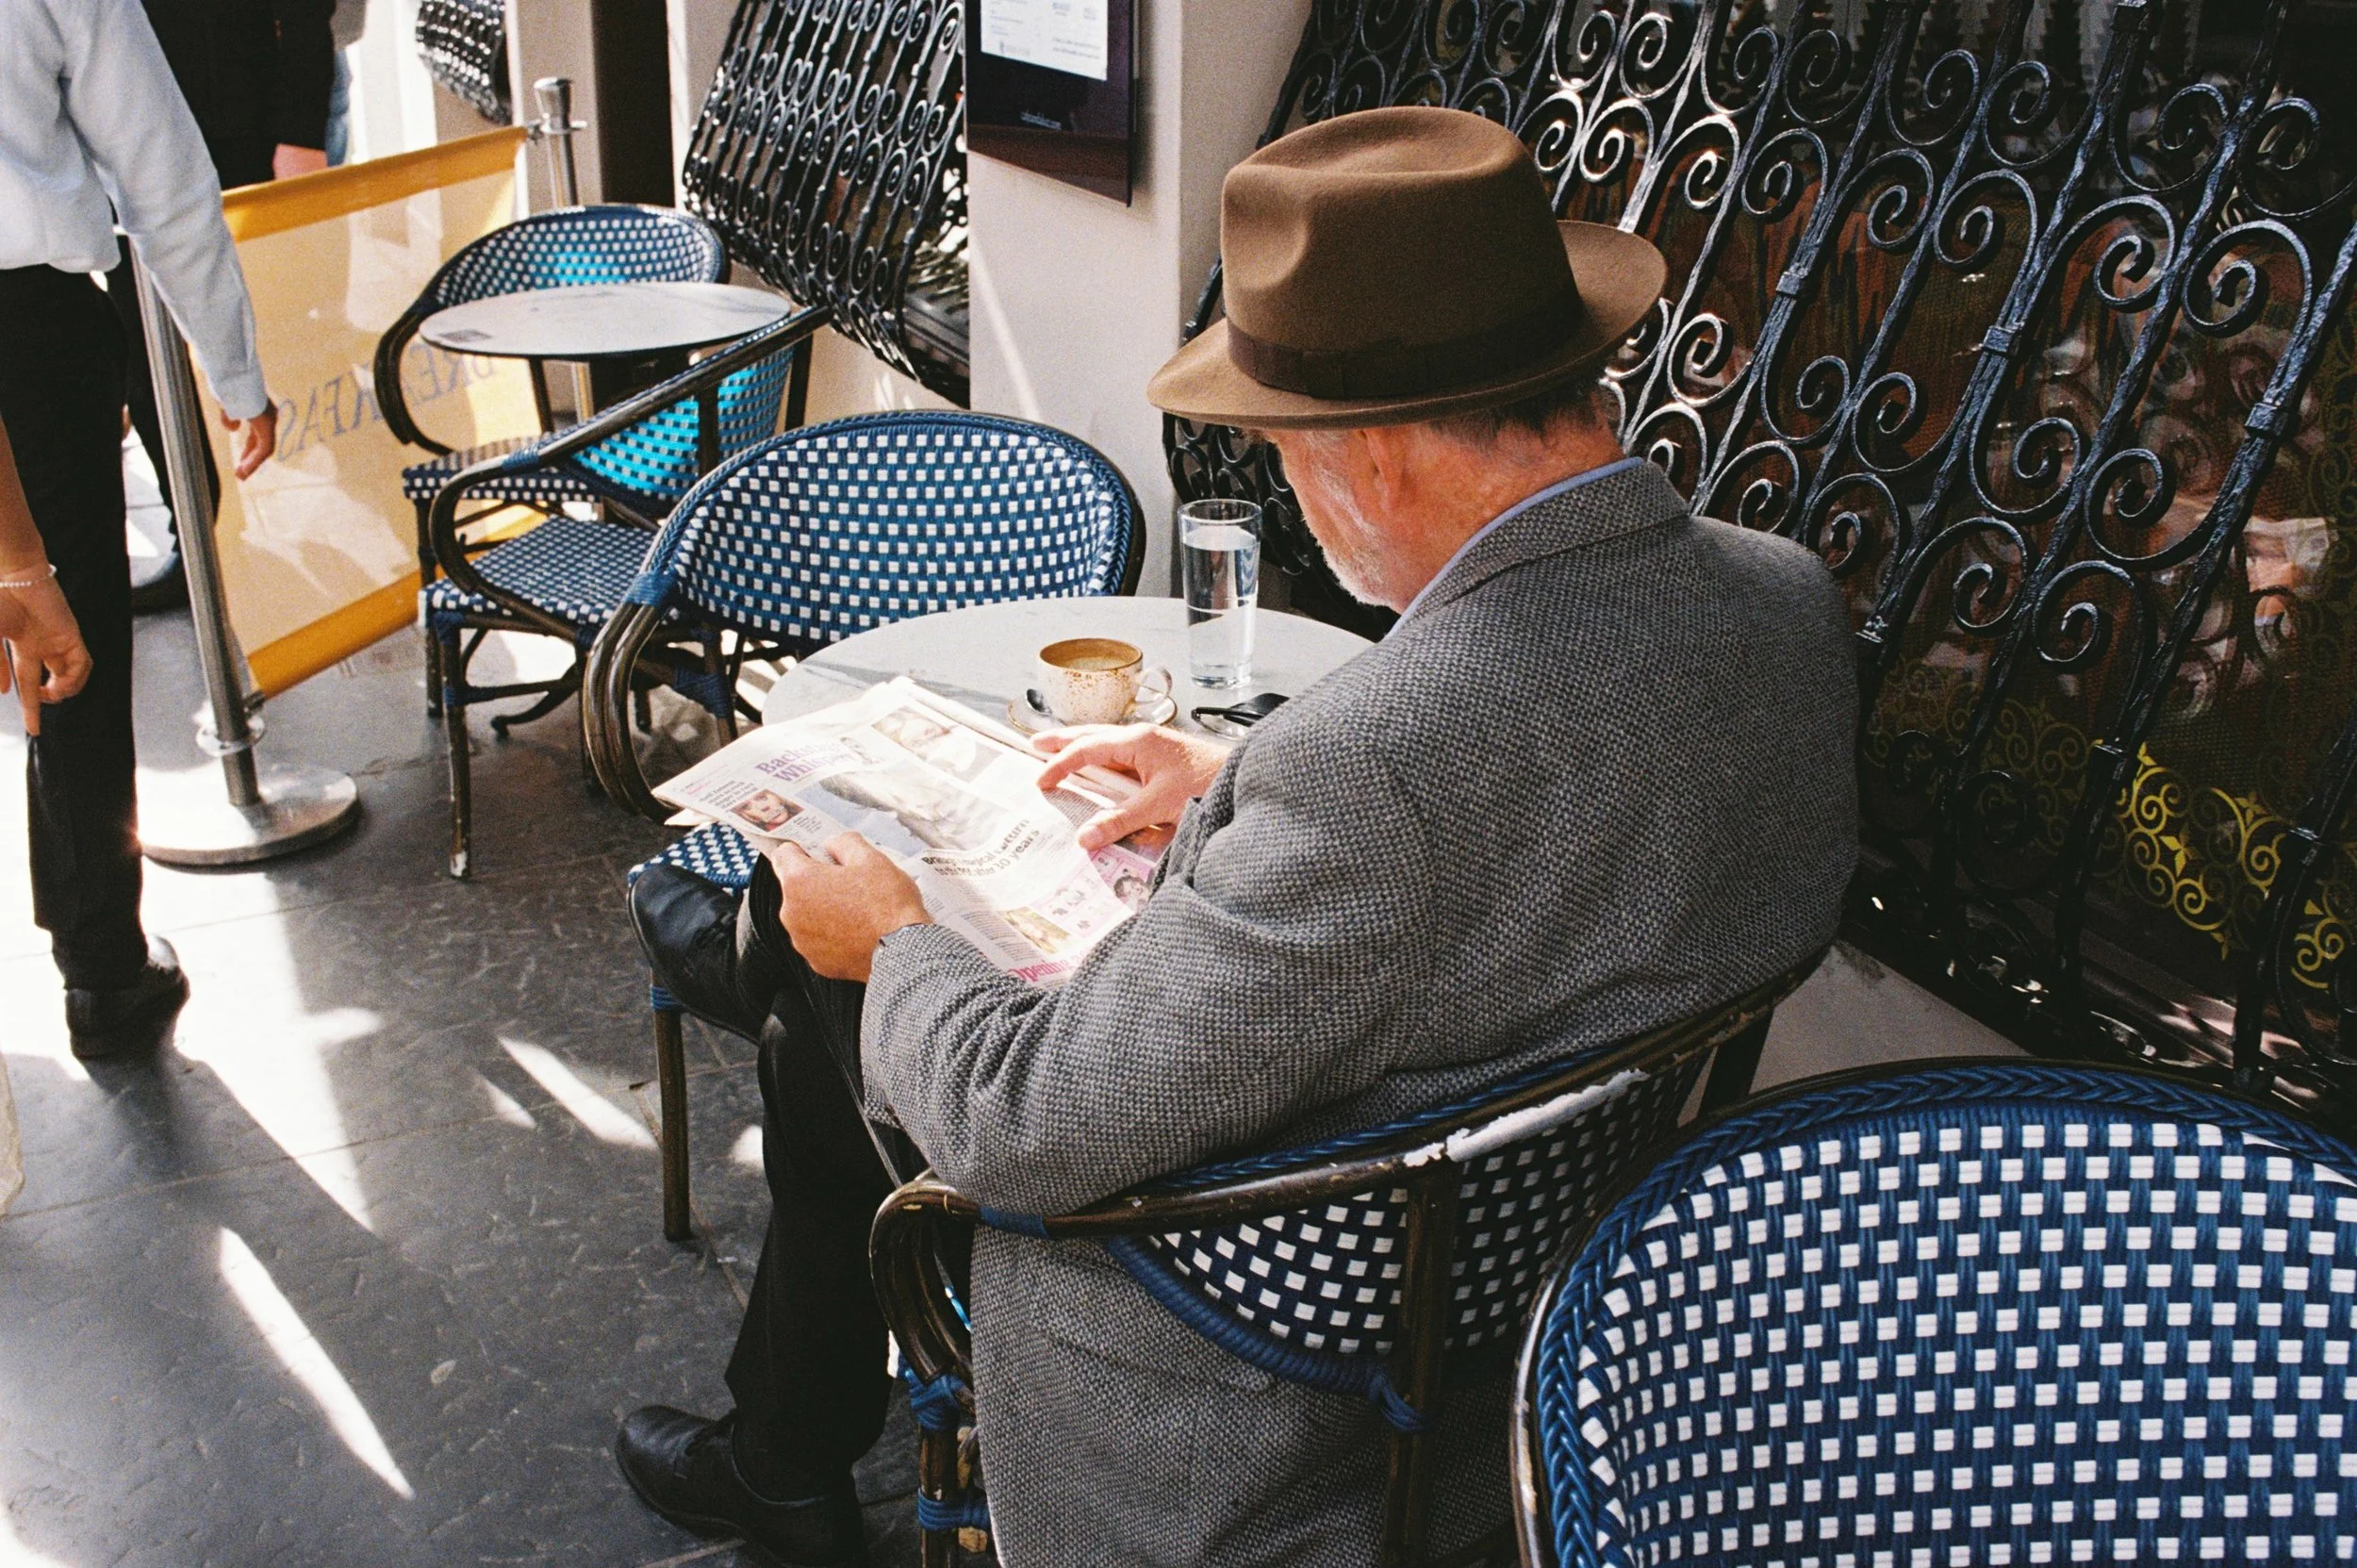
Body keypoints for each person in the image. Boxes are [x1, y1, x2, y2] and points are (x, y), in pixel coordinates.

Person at [618, 107, 1858, 1565]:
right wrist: (1230, 763)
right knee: (819, 1025)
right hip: (1552, 1249)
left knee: (828, 997)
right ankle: (775, 1372)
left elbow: (1031, 1126)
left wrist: (896, 943)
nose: (1287, 484)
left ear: (1378, 457)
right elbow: (1552, 786)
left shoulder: (1381, 762)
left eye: (1283, 452)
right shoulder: (1786, 605)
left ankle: (776, 1352)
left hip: (1253, 1344)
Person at [3, 0, 280, 1057]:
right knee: (66, 636)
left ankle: (81, 923)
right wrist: (235, 366)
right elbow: (160, 170)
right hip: (30, 327)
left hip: (32, 322)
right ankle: (100, 962)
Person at [107, 0, 336, 610]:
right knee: (146, 363)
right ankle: (198, 542)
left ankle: (310, 516)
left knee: (282, 334)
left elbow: (310, 13)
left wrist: (302, 132)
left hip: (248, 135)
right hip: (127, 143)